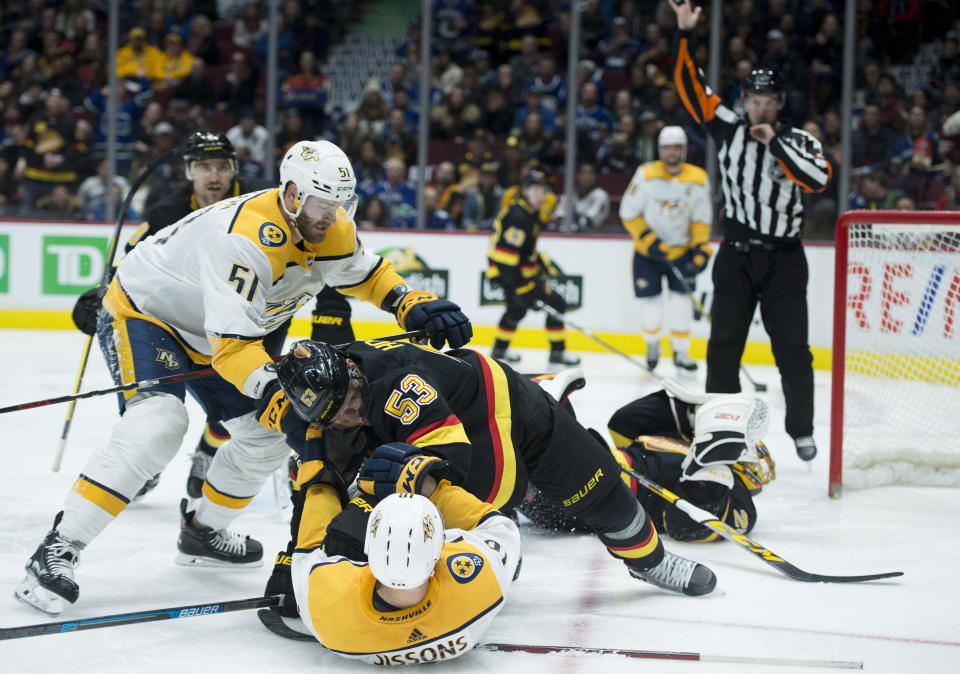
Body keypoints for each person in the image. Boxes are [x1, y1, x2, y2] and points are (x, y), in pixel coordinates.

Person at [15, 139, 472, 615]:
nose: (332, 215)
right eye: (322, 203)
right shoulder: (247, 240)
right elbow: (232, 349)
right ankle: (59, 546)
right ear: (293, 195)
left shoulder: (329, 221)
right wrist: (275, 390)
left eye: (342, 204)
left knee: (265, 437)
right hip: (149, 316)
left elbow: (361, 272)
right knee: (159, 425)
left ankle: (203, 531)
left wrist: (408, 301)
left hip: (219, 331)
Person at [263, 339, 717, 600]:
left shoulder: (399, 383)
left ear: (350, 368)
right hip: (440, 420)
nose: (352, 411)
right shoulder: (310, 412)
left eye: (353, 397)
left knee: (598, 491)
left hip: (505, 409)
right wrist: (293, 560)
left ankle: (652, 563)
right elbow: (316, 486)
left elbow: (453, 463)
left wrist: (385, 484)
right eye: (337, 413)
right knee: (364, 487)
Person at [669, 0, 832, 461]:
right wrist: (685, 33)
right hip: (736, 256)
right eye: (754, 100)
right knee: (722, 348)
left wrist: (775, 142)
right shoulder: (726, 127)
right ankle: (721, 428)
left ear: (780, 105)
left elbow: (817, 178)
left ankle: (801, 428)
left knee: (793, 352)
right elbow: (689, 86)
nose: (760, 108)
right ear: (745, 101)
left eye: (768, 101)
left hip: (784, 258)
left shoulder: (799, 140)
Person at [280, 434, 520, 664]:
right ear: (439, 549)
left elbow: (309, 547)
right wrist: (430, 488)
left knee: (341, 538)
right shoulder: (479, 584)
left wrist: (320, 486)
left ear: (369, 549)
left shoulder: (327, 608)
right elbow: (500, 526)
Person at [520, 376, 775, 543]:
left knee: (538, 409)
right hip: (590, 467)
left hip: (592, 496)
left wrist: (710, 470)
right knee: (534, 398)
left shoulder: (740, 503)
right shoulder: (683, 444)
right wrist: (687, 412)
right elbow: (625, 422)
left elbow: (683, 526)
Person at [619, 125, 712, 374]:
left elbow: (701, 219)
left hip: (681, 252)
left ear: (684, 149)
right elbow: (628, 213)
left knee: (682, 304)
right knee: (650, 305)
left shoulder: (698, 177)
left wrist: (701, 248)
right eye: (668, 147)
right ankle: (652, 346)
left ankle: (681, 352)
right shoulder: (645, 174)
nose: (673, 152)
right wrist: (649, 239)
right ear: (661, 150)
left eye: (677, 147)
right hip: (647, 254)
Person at [486, 171, 579, 367]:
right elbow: (505, 257)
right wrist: (520, 287)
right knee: (553, 304)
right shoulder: (519, 215)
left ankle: (499, 349)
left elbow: (524, 251)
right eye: (535, 190)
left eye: (543, 190)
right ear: (525, 191)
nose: (541, 195)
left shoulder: (527, 212)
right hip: (510, 275)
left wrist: (539, 268)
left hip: (519, 274)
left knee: (517, 309)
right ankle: (557, 353)